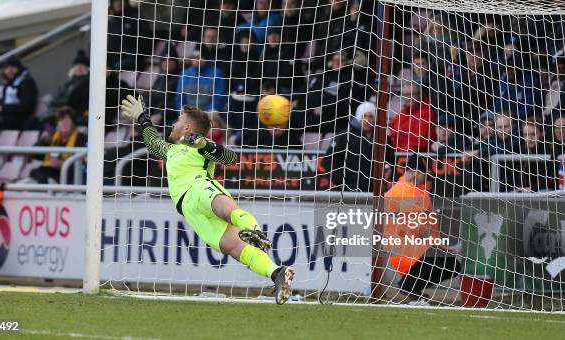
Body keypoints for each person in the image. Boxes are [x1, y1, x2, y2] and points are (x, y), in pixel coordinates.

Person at [120, 95, 295, 304]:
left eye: (178, 120)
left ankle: (256, 231)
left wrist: (203, 144)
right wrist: (143, 118)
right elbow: (153, 144)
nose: (173, 123)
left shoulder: (200, 145)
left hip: (199, 186)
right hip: (188, 210)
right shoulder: (171, 149)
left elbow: (231, 158)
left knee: (224, 209)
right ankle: (277, 273)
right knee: (233, 247)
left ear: (187, 128)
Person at [383, 156, 460, 305]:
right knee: (450, 264)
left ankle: (411, 286)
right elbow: (424, 229)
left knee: (451, 264)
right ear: (414, 172)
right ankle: (409, 286)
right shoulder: (399, 192)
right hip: (403, 248)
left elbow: (429, 229)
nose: (423, 177)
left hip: (410, 248)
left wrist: (441, 246)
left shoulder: (420, 194)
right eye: (421, 172)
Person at [322, 102, 394, 192]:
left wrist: (389, 171)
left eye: (371, 116)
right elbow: (328, 161)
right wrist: (341, 182)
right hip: (349, 191)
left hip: (374, 190)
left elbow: (391, 160)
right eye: (364, 116)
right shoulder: (344, 136)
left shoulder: (383, 138)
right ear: (358, 116)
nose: (367, 120)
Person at [29, 107, 88, 184]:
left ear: (73, 123)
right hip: (49, 173)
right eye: (61, 120)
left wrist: (62, 164)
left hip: (69, 177)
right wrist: (44, 141)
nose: (64, 123)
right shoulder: (52, 137)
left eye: (67, 120)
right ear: (57, 124)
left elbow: (83, 165)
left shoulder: (82, 138)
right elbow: (34, 154)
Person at [389, 82, 437, 152]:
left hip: (416, 157)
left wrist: (399, 153)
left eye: (412, 94)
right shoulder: (400, 114)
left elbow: (421, 142)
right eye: (406, 95)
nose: (409, 98)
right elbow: (392, 136)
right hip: (398, 155)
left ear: (420, 95)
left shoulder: (428, 113)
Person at [50, 50, 91, 118]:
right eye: (77, 65)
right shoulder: (69, 83)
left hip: (75, 114)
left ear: (87, 68)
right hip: (61, 110)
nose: (79, 68)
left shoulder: (88, 82)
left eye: (82, 65)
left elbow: (70, 101)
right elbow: (56, 98)